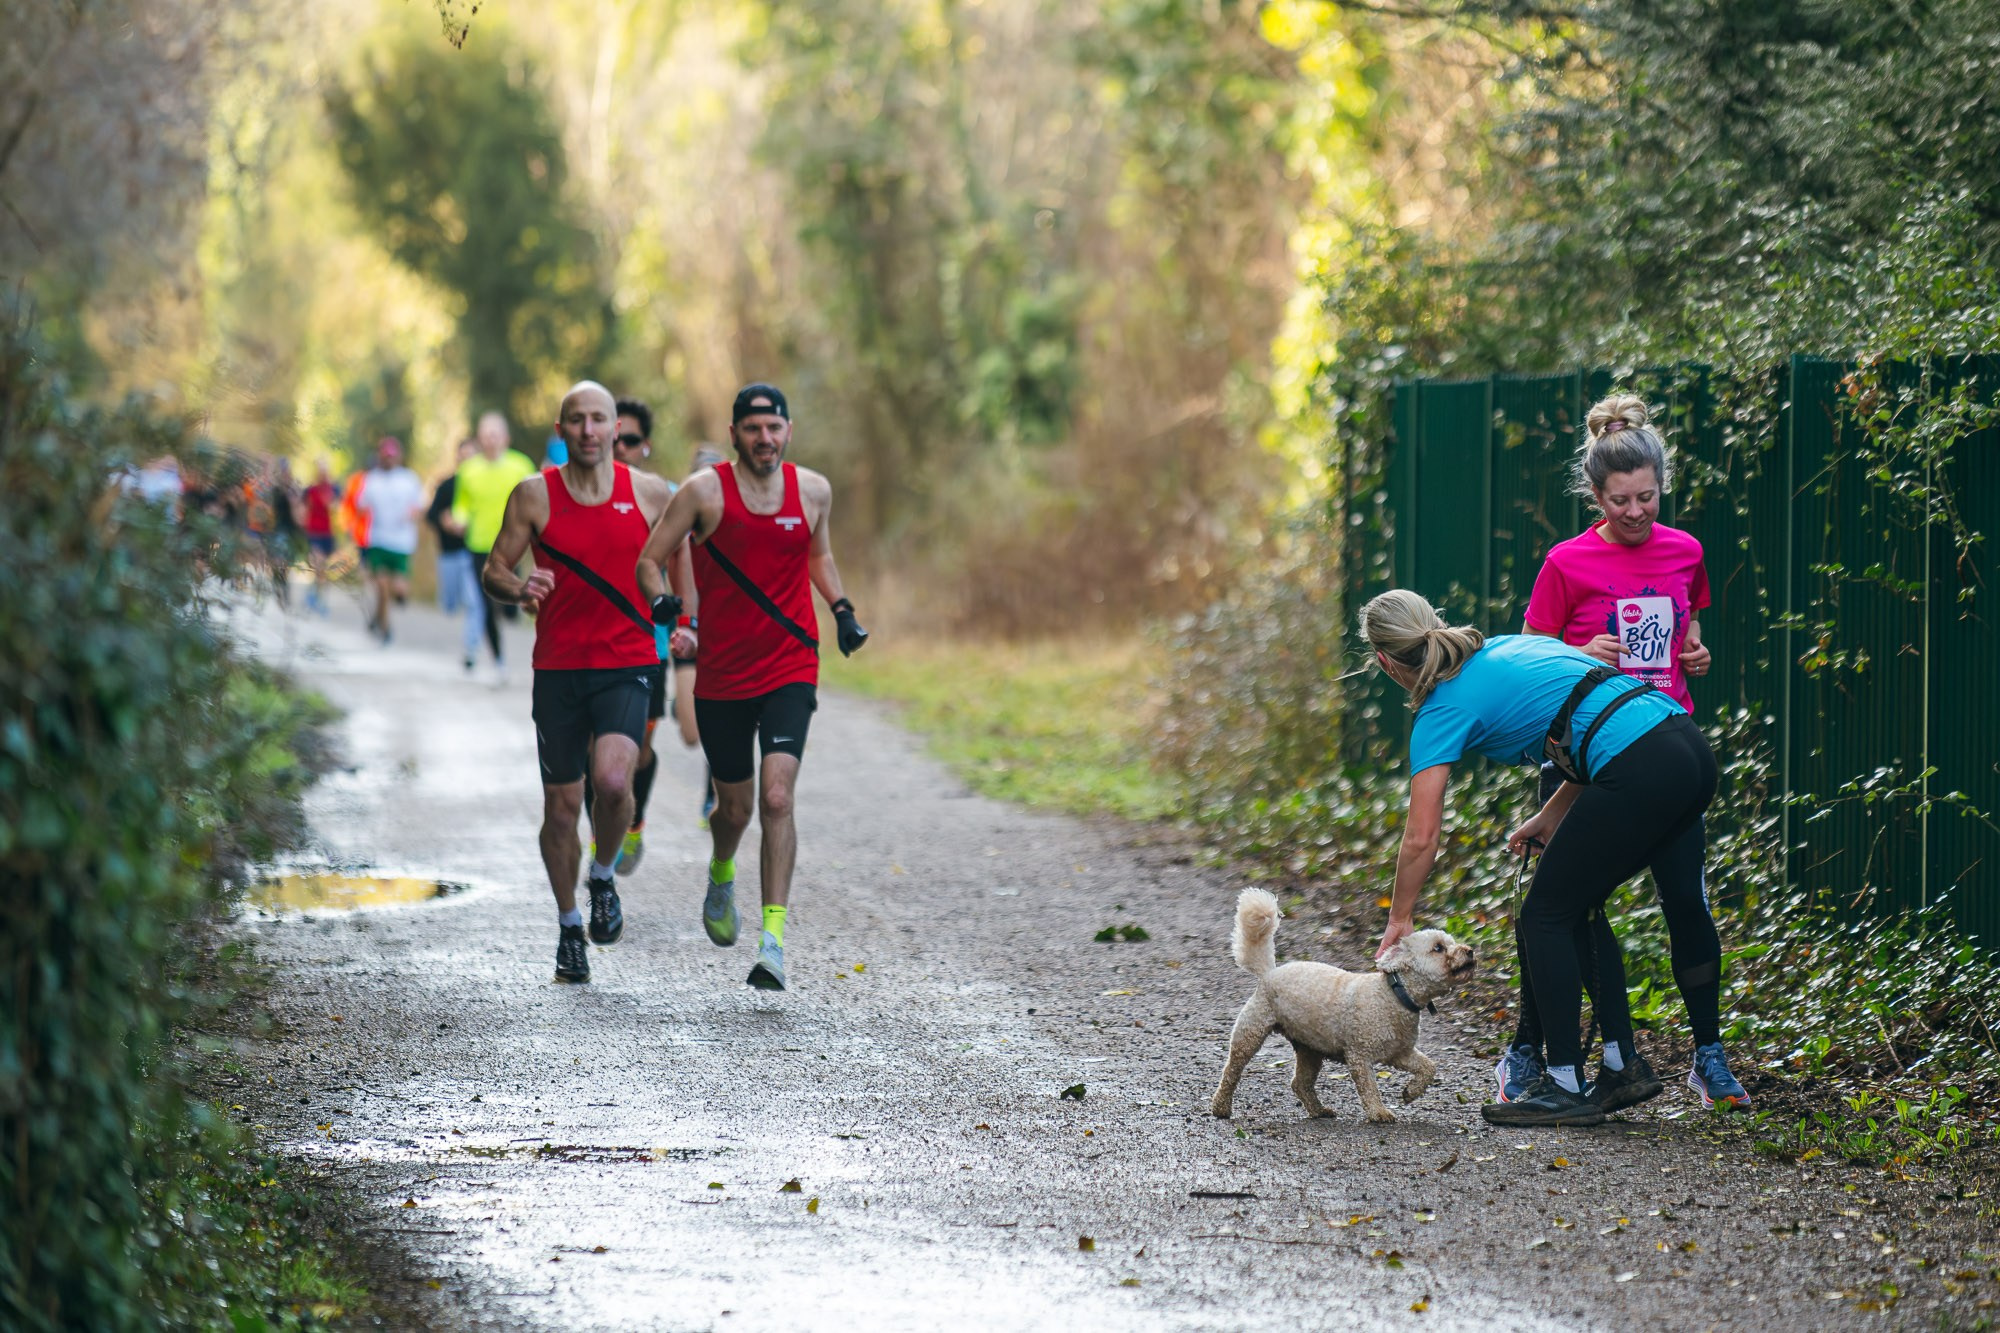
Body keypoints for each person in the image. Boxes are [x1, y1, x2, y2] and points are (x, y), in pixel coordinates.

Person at [1361, 587, 1720, 1128]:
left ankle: (1563, 1084)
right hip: (1685, 745)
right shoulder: (1508, 649)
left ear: (1386, 663)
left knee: (1542, 917)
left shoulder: (1441, 708)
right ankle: (1622, 1066)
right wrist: (1551, 816)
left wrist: (1399, 917)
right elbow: (1595, 715)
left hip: (1640, 765)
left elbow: (1420, 837)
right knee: (1574, 904)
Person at [1488, 394, 1747, 1112]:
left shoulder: (1685, 549)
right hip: (1581, 759)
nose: (1636, 511)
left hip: (1663, 755)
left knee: (1687, 903)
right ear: (1595, 496)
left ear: (1661, 485)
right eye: (1621, 500)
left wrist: (1693, 653)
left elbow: (1685, 627)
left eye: (1648, 496)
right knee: (1564, 909)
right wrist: (1577, 650)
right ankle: (1534, 1053)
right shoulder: (1566, 561)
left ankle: (1709, 1057)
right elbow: (1528, 654)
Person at [635, 383, 869, 992]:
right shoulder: (702, 492)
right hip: (723, 673)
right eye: (753, 429)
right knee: (734, 808)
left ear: (788, 431)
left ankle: (773, 943)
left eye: (775, 428)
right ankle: (720, 870)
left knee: (778, 798)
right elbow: (649, 558)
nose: (765, 439)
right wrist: (664, 604)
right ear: (735, 434)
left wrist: (841, 609)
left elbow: (817, 556)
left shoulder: (813, 490)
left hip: (791, 662)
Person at [481, 382, 678, 984]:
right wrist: (519, 589)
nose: (588, 431)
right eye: (576, 421)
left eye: (599, 420)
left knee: (616, 782)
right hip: (560, 668)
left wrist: (683, 620)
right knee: (562, 808)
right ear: (562, 430)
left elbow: (676, 566)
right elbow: (495, 568)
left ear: (616, 428)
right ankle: (570, 926)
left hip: (627, 660)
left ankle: (603, 876)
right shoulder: (534, 496)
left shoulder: (649, 493)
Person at [591, 398, 695, 875]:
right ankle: (602, 840)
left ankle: (632, 826)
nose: (620, 447)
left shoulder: (667, 496)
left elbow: (686, 568)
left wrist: (687, 624)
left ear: (645, 446)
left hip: (647, 643)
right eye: (615, 438)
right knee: (599, 749)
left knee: (642, 748)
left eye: (629, 440)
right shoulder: (579, 489)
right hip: (591, 643)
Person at [453, 412, 538, 682]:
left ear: (505, 437)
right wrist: (459, 519)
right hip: (480, 545)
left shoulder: (521, 465)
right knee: (486, 605)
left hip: (515, 544)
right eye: (485, 434)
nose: (490, 439)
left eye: (495, 433)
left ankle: (515, 611)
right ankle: (499, 661)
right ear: (480, 438)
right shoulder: (468, 470)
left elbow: (537, 499)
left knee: (511, 605)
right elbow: (461, 505)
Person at [679, 445, 728, 825]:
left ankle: (715, 795)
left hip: (727, 639)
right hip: (688, 634)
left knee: (723, 721)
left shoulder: (740, 526)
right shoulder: (677, 525)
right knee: (692, 733)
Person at [344, 438, 425, 645]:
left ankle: (375, 618)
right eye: (385, 455)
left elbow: (419, 505)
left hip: (402, 543)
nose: (388, 459)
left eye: (392, 455)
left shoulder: (409, 479)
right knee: (381, 588)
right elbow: (361, 507)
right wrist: (353, 529)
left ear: (398, 456)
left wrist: (411, 514)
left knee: (398, 589)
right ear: (380, 456)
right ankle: (386, 628)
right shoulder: (371, 480)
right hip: (378, 540)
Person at [427, 438, 483, 672]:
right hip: (449, 553)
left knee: (474, 602)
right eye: (463, 456)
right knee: (450, 603)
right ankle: (452, 610)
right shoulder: (447, 485)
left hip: (472, 553)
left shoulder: (483, 485)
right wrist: (445, 521)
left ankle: (470, 648)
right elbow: (431, 515)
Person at [301, 460, 338, 616]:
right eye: (320, 471)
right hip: (314, 532)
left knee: (322, 571)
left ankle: (315, 596)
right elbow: (303, 508)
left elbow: (338, 509)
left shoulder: (334, 489)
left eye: (325, 471)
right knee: (319, 565)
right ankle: (316, 598)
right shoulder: (310, 490)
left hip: (328, 534)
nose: (323, 475)